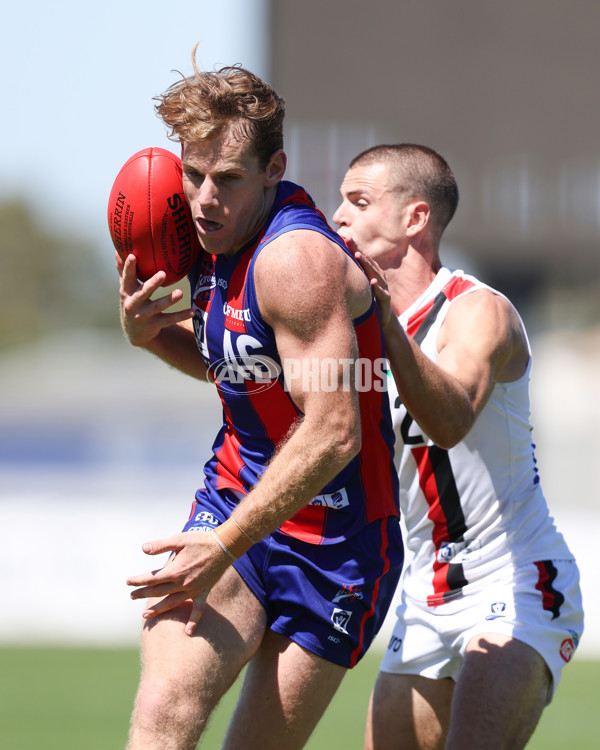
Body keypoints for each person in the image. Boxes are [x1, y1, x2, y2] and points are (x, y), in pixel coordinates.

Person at [116, 56, 404, 750]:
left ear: (275, 169)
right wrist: (154, 336)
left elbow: (334, 432)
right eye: (193, 174)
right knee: (163, 711)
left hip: (338, 544)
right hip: (236, 497)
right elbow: (239, 370)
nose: (204, 198)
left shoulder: (293, 261)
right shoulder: (207, 240)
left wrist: (222, 542)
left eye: (228, 179)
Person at [333, 143, 584, 750]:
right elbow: (268, 383)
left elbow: (448, 420)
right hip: (423, 594)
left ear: (415, 219)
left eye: (358, 201)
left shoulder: (477, 312)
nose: (337, 216)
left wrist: (386, 325)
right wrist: (159, 337)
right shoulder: (355, 330)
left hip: (516, 578)